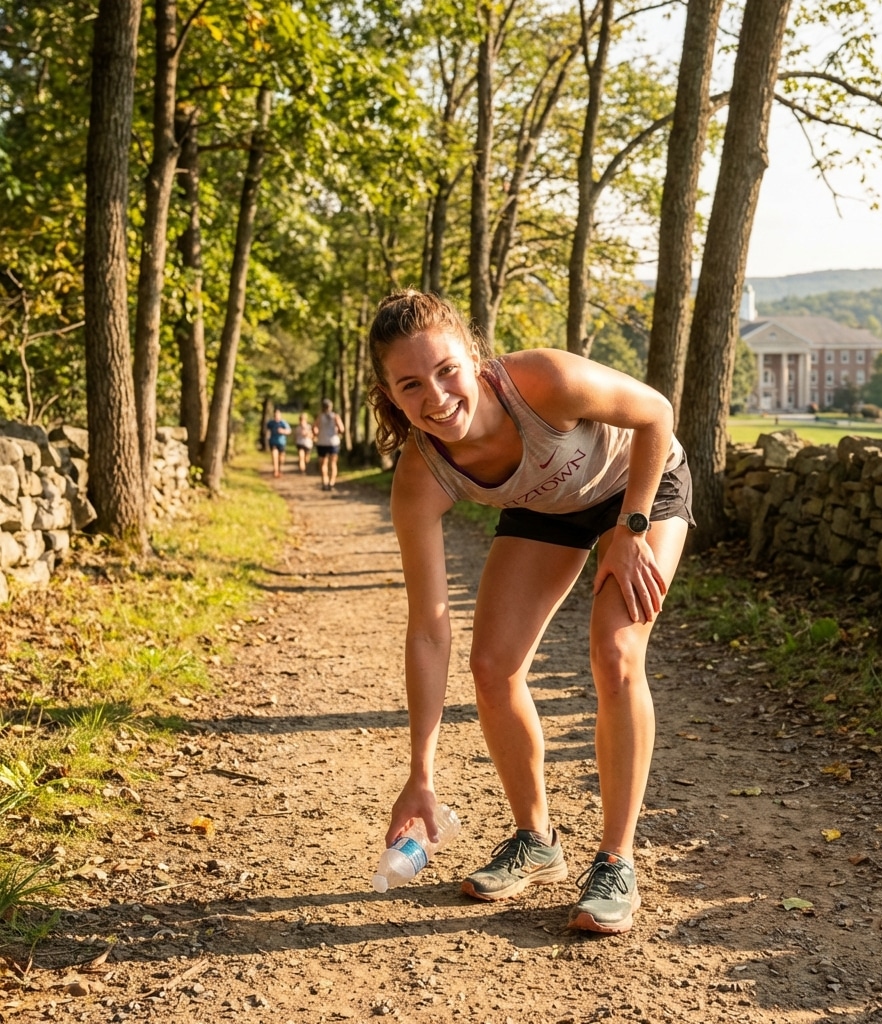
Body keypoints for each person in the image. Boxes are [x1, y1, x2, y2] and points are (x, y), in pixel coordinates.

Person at [368, 289, 694, 935]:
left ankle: (615, 860)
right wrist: (419, 775)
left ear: (477, 360)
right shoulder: (421, 474)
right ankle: (536, 839)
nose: (435, 397)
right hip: (548, 506)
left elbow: (655, 414)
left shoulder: (543, 381)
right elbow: (430, 629)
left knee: (615, 649)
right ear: (389, 395)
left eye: (446, 371)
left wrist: (629, 530)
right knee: (492, 667)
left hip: (638, 487)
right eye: (410, 385)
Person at [314, 399, 344, 491]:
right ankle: (331, 483)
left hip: (322, 442)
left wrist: (317, 434)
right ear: (331, 406)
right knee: (333, 463)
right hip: (333, 443)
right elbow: (342, 429)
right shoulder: (335, 416)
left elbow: (314, 428)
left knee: (323, 464)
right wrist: (336, 431)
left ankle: (324, 483)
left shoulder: (320, 417)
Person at [265, 407, 291, 478]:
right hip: (273, 442)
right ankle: (275, 470)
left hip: (281, 443)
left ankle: (280, 469)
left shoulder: (283, 423)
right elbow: (267, 431)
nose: (276, 416)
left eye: (278, 414)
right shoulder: (270, 423)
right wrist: (267, 439)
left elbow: (289, 431)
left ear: (280, 415)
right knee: (274, 455)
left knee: (281, 458)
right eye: (275, 414)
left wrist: (283, 431)